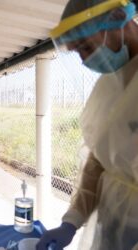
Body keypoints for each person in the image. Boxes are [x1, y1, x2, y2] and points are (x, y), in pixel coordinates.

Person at [37, 0, 138, 249]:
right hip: (112, 225)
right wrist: (72, 220)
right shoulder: (109, 85)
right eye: (77, 51)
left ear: (117, 18)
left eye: (85, 46)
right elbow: (101, 158)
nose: (83, 60)